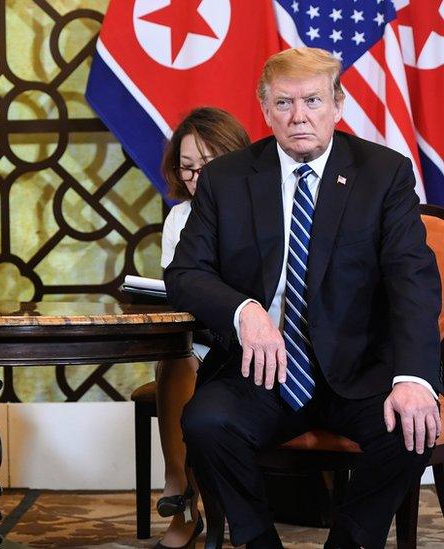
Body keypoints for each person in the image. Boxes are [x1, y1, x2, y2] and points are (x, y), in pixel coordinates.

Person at [166, 47, 442, 549]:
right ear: (265, 109)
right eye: (284, 103)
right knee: (206, 423)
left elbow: (412, 279)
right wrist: (243, 311)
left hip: (359, 372)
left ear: (338, 105)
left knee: (410, 428)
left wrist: (414, 378)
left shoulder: (383, 174)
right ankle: (257, 542)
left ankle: (351, 542)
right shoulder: (226, 179)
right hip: (260, 369)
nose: (299, 118)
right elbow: (186, 271)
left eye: (313, 101)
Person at [154, 107, 250, 549]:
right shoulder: (180, 217)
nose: (194, 178)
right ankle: (183, 494)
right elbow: (184, 290)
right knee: (177, 358)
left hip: (256, 336)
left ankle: (201, 501)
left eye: (205, 166)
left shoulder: (263, 206)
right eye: (186, 168)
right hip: (205, 335)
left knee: (187, 362)